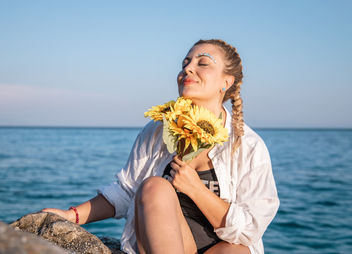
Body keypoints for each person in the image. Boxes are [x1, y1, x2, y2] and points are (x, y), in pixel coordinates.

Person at [43, 39, 280, 254]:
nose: (188, 68)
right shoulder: (157, 131)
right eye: (185, 62)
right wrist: (70, 215)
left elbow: (250, 229)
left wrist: (196, 189)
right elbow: (126, 191)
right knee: (154, 186)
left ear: (226, 82)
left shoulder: (248, 146)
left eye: (203, 63)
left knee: (236, 251)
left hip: (221, 249)